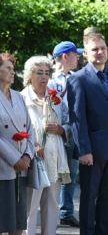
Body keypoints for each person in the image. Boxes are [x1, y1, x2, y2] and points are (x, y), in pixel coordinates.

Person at [0, 53, 35, 235]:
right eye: (8, 68)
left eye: (13, 68)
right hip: (2, 166)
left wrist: (27, 156)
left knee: (19, 220)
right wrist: (15, 159)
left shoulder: (18, 97)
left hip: (23, 165)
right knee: (2, 220)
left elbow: (30, 128)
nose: (13, 72)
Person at [20, 56, 70, 235]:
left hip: (55, 159)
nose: (44, 77)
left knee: (52, 206)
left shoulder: (54, 97)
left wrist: (61, 129)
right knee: (30, 208)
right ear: (29, 75)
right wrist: (33, 145)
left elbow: (68, 122)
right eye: (39, 73)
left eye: (47, 73)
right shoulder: (21, 98)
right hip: (33, 161)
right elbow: (18, 130)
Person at [67, 32, 108, 234]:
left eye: (102, 48)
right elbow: (77, 118)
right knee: (89, 199)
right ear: (86, 53)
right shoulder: (78, 79)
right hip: (92, 152)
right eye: (95, 49)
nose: (99, 52)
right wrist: (84, 150)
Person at [48, 41, 84, 227]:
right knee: (56, 174)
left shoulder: (76, 77)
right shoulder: (50, 80)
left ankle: (66, 212)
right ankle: (53, 213)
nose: (78, 57)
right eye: (75, 54)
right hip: (56, 132)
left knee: (71, 171)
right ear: (64, 56)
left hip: (74, 131)